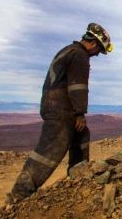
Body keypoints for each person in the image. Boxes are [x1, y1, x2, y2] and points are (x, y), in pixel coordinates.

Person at [7, 22, 113, 203]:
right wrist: (80, 113)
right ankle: (19, 195)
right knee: (50, 150)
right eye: (99, 50)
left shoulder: (68, 50)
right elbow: (77, 87)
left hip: (56, 105)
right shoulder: (79, 55)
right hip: (60, 109)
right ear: (94, 43)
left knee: (81, 134)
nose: (97, 54)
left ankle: (78, 178)